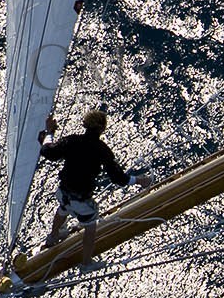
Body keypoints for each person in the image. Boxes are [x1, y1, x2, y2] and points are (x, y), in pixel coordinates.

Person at [37, 109, 151, 263]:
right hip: (81, 200)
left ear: (85, 125)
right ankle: (86, 263)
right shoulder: (102, 150)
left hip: (63, 192)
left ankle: (53, 237)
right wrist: (139, 180)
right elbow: (118, 178)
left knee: (62, 209)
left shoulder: (72, 141)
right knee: (90, 228)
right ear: (102, 128)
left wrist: (49, 132)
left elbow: (48, 151)